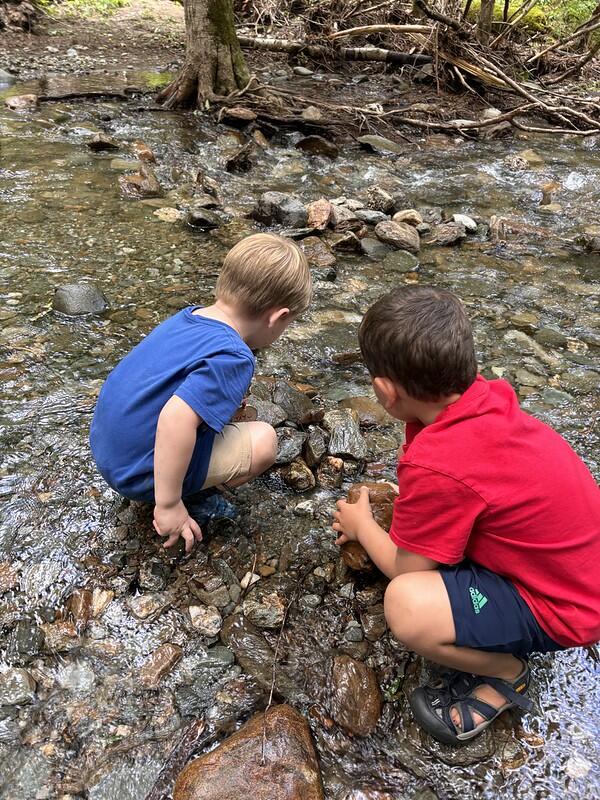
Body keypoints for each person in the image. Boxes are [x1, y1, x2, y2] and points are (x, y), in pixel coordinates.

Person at [332, 286, 600, 745]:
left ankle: (506, 673)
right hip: (577, 572)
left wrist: (364, 525)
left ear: (384, 392)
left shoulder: (438, 461)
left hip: (566, 608)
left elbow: (405, 567)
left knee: (406, 605)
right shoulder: (488, 399)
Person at [91, 233, 311, 553]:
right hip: (137, 471)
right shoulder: (235, 356)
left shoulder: (189, 318)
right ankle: (189, 496)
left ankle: (176, 482)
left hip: (107, 449)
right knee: (264, 440)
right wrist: (168, 505)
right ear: (278, 318)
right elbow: (175, 417)